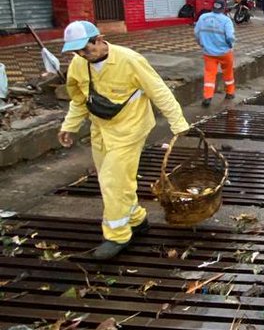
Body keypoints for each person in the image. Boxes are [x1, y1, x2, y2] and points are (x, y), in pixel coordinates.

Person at [57, 21, 190, 260]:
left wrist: (178, 123)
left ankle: (117, 235)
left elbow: (158, 90)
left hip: (130, 129)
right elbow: (79, 100)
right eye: (76, 51)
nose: (82, 55)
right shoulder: (79, 65)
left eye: (86, 49)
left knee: (111, 180)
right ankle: (136, 218)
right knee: (118, 179)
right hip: (101, 129)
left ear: (99, 39)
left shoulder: (130, 60)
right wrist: (70, 125)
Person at [194, 0, 236, 107]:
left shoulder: (203, 18)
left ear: (213, 7)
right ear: (223, 8)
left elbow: (196, 33)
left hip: (208, 53)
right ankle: (230, 92)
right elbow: (230, 37)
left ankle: (208, 96)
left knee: (209, 74)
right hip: (224, 52)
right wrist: (230, 46)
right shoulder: (226, 20)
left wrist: (202, 44)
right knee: (228, 72)